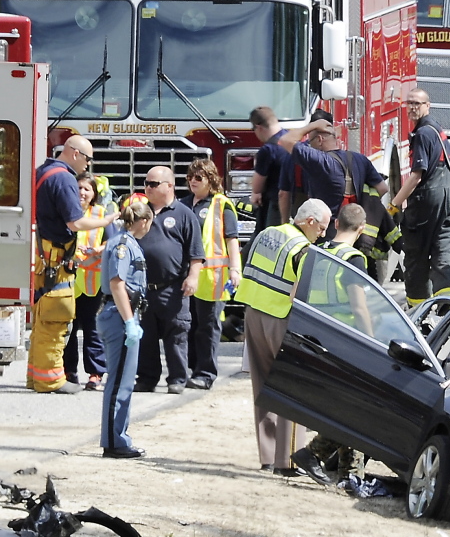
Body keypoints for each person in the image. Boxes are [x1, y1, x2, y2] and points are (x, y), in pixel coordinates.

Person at [235, 198, 330, 475]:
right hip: (280, 318)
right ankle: (287, 460)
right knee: (290, 388)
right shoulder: (303, 249)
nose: (322, 235)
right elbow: (303, 293)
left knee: (262, 387)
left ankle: (267, 456)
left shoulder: (267, 233)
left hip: (253, 312)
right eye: (321, 228)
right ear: (310, 222)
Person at [29, 136, 118, 393]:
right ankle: (50, 380)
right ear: (75, 153)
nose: (88, 166)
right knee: (55, 320)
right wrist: (107, 220)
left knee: (42, 319)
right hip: (56, 260)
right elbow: (75, 223)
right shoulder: (64, 178)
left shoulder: (43, 172)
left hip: (44, 258)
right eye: (88, 159)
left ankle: (35, 376)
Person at [290, 203, 370, 486]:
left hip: (315, 336)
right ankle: (323, 459)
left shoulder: (316, 252)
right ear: (361, 230)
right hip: (345, 339)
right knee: (357, 405)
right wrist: (370, 341)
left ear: (336, 224)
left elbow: (297, 294)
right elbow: (359, 307)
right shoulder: (354, 258)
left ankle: (349, 473)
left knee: (346, 406)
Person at [387, 88, 450, 307]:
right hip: (449, 202)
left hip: (426, 206)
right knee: (442, 256)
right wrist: (446, 187)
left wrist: (394, 205)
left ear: (427, 106)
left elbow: (416, 177)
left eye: (417, 104)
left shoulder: (422, 134)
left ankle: (418, 310)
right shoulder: (436, 128)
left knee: (416, 257)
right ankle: (448, 308)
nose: (412, 107)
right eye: (409, 103)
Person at [135, 166, 204, 395]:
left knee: (176, 336)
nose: (148, 187)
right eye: (146, 183)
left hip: (172, 287)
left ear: (169, 186)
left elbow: (196, 252)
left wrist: (193, 277)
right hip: (143, 288)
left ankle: (177, 378)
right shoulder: (140, 211)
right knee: (145, 337)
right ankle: (146, 378)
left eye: (153, 184)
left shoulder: (184, 214)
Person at [98, 200, 153, 458]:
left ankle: (119, 437)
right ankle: (114, 441)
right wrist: (129, 321)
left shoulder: (125, 242)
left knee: (123, 382)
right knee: (119, 383)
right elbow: (118, 284)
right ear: (143, 221)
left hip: (122, 314)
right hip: (120, 315)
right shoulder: (123, 245)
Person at [272, 117, 388, 238]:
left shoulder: (319, 161)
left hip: (325, 232)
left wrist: (313, 125)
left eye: (311, 142)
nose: (310, 146)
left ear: (319, 140)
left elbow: (285, 140)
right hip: (353, 233)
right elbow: (383, 188)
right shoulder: (360, 159)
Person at [181, 158, 242, 390]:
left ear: (211, 179)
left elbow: (231, 239)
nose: (193, 182)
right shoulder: (183, 203)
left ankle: (205, 374)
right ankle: (192, 369)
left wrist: (235, 270)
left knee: (208, 327)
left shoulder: (221, 204)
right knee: (189, 325)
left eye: (198, 178)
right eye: (189, 177)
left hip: (214, 278)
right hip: (188, 276)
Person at [63, 172, 116, 390]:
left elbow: (112, 241)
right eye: (79, 188)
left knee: (93, 329)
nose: (82, 192)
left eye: (87, 189)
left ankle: (95, 373)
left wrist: (98, 250)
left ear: (94, 193)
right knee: (68, 329)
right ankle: (68, 371)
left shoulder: (100, 214)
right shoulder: (66, 212)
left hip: (92, 283)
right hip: (68, 280)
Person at [278, 108, 334, 222]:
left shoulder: (292, 154)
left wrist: (284, 222)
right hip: (331, 220)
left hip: (303, 221)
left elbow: (284, 193)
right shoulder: (342, 158)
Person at [249, 106, 289, 236]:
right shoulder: (292, 140)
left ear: (259, 127)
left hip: (274, 206)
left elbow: (257, 187)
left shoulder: (268, 150)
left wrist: (256, 194)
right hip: (294, 203)